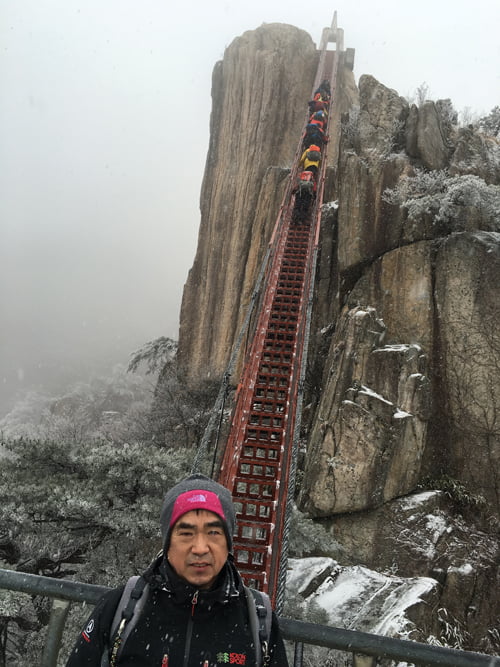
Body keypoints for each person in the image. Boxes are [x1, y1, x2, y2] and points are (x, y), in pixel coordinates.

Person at [65, 473, 289, 666]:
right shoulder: (120, 609)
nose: (200, 548)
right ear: (167, 543)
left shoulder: (258, 621)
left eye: (213, 533)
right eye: (185, 533)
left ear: (228, 544)